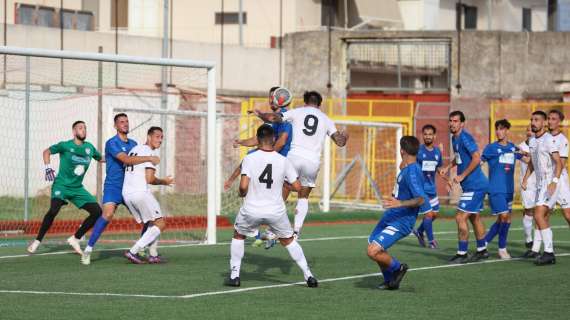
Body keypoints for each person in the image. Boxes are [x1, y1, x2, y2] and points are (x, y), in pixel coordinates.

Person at [227, 124, 317, 288]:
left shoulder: (249, 158)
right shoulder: (283, 160)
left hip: (252, 209)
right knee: (289, 241)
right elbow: (297, 187)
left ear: (258, 140)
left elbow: (243, 185)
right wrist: (285, 184)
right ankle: (309, 276)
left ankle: (234, 275)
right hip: (276, 211)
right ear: (273, 139)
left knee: (239, 235)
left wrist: (241, 193)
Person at [254, 91, 348, 237]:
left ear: (305, 102)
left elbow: (274, 117)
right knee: (303, 196)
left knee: (284, 188)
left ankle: (273, 230)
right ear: (320, 104)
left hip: (294, 157)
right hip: (312, 161)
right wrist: (345, 136)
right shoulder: (326, 119)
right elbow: (340, 142)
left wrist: (260, 114)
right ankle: (296, 231)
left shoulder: (297, 112)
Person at [81, 113, 160, 265]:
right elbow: (126, 159)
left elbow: (140, 160)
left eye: (126, 121)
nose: (125, 124)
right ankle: (88, 249)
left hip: (130, 187)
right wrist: (149, 158)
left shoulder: (134, 144)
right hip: (113, 186)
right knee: (108, 214)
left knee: (148, 216)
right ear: (115, 126)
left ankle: (142, 248)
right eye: (121, 122)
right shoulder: (112, 143)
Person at [225, 86, 294, 249]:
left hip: (279, 163)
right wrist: (241, 142)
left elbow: (282, 141)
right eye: (269, 97)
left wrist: (269, 156)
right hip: (271, 161)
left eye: (272, 97)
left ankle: (271, 231)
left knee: (284, 190)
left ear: (279, 98)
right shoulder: (272, 122)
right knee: (254, 192)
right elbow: (258, 140)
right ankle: (260, 231)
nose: (270, 100)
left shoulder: (285, 119)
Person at [27, 121, 103, 255]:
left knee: (97, 211)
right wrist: (48, 168)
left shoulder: (89, 148)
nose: (83, 130)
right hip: (61, 185)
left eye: (85, 128)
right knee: (53, 210)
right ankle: (37, 240)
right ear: (74, 132)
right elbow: (46, 152)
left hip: (77, 188)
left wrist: (120, 158)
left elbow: (101, 158)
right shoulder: (65, 145)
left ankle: (76, 238)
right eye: (80, 128)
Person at [367, 136, 430, 290]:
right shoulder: (407, 167)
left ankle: (397, 268)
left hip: (402, 220)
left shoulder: (413, 172)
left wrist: (399, 203)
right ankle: (390, 281)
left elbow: (421, 199)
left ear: (402, 150)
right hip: (391, 215)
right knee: (373, 243)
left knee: (373, 251)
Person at [439, 111, 489, 264]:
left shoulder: (465, 137)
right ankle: (482, 250)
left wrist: (462, 175)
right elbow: (460, 157)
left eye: (455, 121)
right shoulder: (455, 138)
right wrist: (448, 167)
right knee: (474, 217)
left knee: (460, 217)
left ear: (462, 123)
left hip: (475, 185)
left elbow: (476, 157)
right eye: (451, 121)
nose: (452, 123)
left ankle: (462, 254)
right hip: (471, 185)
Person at [122, 127, 174, 264]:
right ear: (149, 137)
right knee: (161, 223)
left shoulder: (134, 149)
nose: (160, 140)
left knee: (154, 221)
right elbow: (150, 179)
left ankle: (153, 254)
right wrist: (164, 181)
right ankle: (133, 251)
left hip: (127, 193)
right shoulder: (148, 152)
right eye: (157, 136)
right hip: (140, 192)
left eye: (162, 137)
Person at [521, 111, 562, 265]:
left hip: (549, 183)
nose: (533, 122)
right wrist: (525, 179)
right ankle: (545, 251)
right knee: (542, 217)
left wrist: (554, 181)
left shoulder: (549, 140)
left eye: (537, 120)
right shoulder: (532, 141)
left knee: (538, 215)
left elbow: (558, 162)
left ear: (544, 123)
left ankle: (549, 252)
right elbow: (532, 162)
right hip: (539, 185)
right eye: (532, 119)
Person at [481, 119, 521, 259]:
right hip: (495, 189)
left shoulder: (513, 148)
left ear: (507, 131)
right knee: (505, 217)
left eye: (502, 129)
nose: (499, 131)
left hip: (509, 190)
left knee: (503, 220)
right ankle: (502, 248)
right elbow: (479, 163)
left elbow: (527, 159)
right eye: (497, 129)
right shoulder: (490, 148)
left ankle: (484, 242)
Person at [412, 124, 443, 249]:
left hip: (432, 189)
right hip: (421, 189)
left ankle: (419, 231)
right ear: (422, 136)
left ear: (434, 136)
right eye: (425, 134)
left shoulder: (437, 152)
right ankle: (431, 241)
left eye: (430, 134)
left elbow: (438, 167)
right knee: (429, 215)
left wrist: (442, 172)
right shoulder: (418, 151)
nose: (428, 136)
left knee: (434, 214)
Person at [547, 109, 570, 226]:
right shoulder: (543, 137)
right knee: (542, 214)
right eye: (549, 118)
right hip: (546, 179)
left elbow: (561, 163)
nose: (550, 121)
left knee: (567, 214)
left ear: (559, 122)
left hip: (559, 180)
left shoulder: (563, 140)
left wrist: (555, 181)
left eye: (553, 119)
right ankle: (545, 244)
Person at [518, 126, 536, 251]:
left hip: (541, 183)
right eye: (528, 130)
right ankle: (529, 241)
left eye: (532, 130)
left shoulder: (541, 144)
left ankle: (543, 244)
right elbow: (529, 160)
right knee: (528, 211)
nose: (530, 132)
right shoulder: (521, 147)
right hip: (528, 185)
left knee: (542, 214)